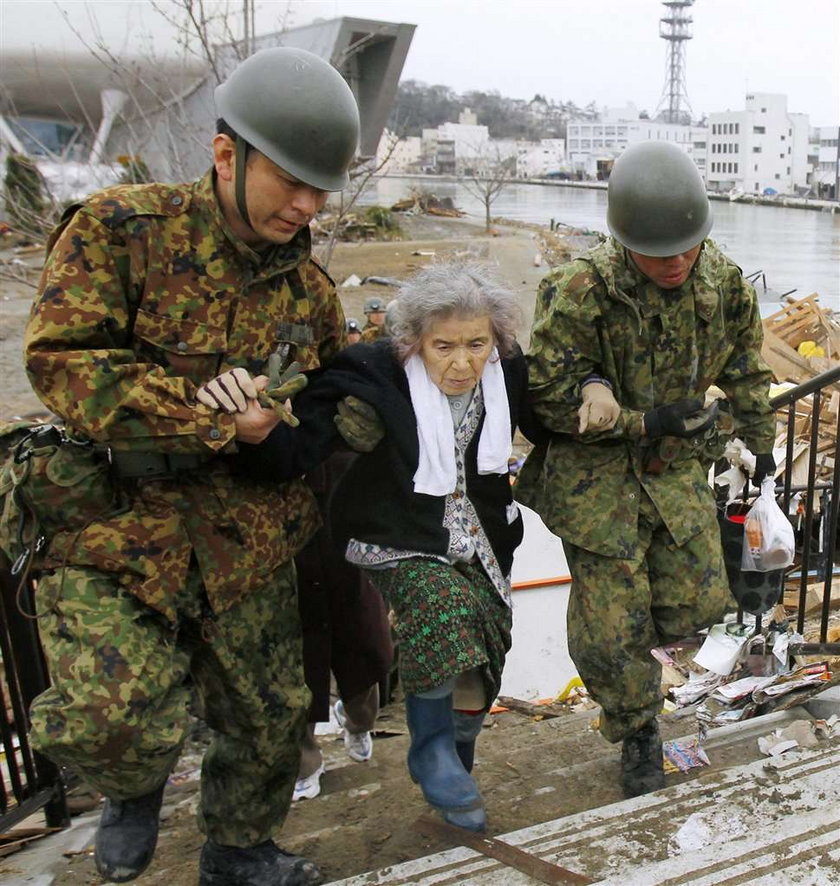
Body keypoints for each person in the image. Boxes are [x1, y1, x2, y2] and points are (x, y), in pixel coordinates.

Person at [22, 46, 360, 886]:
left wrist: (292, 435)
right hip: (117, 528)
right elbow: (63, 362)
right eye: (291, 181)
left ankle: (238, 849)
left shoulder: (308, 288)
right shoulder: (121, 231)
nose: (308, 205)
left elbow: (329, 387)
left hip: (246, 538)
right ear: (225, 155)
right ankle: (131, 785)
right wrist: (214, 422)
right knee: (112, 715)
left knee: (271, 718)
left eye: (323, 188)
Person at [236, 261, 545, 832]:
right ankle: (429, 752)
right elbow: (299, 444)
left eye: (477, 344)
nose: (462, 363)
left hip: (480, 534)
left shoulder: (508, 373)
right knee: (441, 609)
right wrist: (258, 430)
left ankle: (456, 759)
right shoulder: (373, 373)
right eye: (443, 346)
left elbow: (550, 420)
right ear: (413, 342)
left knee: (486, 641)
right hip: (396, 531)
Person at [521, 140, 775, 799]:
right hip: (596, 482)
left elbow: (747, 367)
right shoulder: (580, 291)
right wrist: (635, 418)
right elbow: (546, 397)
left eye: (687, 248)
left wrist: (761, 439)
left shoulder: (721, 284)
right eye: (659, 254)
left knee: (700, 606)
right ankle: (637, 732)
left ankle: (680, 689)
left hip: (675, 476)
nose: (676, 263)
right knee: (610, 631)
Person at [292, 452, 394, 802]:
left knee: (367, 645)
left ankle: (358, 721)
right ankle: (305, 764)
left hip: (348, 527)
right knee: (296, 657)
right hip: (285, 530)